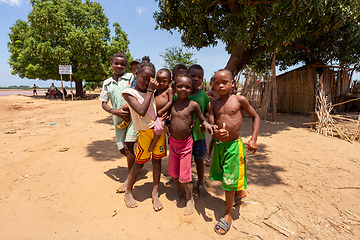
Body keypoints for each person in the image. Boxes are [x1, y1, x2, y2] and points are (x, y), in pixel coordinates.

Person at [208, 69, 260, 235]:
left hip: (233, 146)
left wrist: (253, 139)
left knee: (229, 180)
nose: (221, 85)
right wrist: (215, 132)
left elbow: (255, 117)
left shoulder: (239, 100)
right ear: (213, 85)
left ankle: (228, 214)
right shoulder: (213, 104)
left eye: (224, 82)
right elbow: (211, 126)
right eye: (217, 83)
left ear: (232, 84)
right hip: (220, 146)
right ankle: (240, 192)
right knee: (225, 174)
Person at [122, 61, 166, 211]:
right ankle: (128, 191)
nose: (147, 82)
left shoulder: (151, 91)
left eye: (150, 79)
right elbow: (141, 111)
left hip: (158, 131)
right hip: (145, 134)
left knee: (157, 163)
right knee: (139, 164)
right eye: (144, 77)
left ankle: (155, 193)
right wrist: (150, 91)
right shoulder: (129, 93)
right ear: (136, 74)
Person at [168, 74, 214, 215]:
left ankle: (189, 199)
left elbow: (202, 119)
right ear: (174, 87)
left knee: (185, 175)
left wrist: (207, 125)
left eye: (187, 87)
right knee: (174, 174)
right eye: (180, 86)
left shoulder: (193, 105)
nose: (183, 89)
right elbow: (167, 117)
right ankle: (179, 190)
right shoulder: (172, 102)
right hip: (173, 143)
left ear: (191, 88)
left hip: (186, 144)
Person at [99, 52, 137, 193]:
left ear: (126, 66)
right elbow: (104, 103)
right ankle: (136, 164)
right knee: (122, 148)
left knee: (128, 146)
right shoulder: (107, 83)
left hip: (133, 117)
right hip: (117, 118)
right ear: (111, 64)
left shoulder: (131, 78)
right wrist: (114, 111)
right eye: (116, 63)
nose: (119, 66)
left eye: (122, 64)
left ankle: (129, 178)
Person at [185, 64, 210, 197]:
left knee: (199, 160)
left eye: (199, 77)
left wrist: (204, 122)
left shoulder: (203, 96)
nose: (196, 79)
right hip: (183, 137)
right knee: (185, 161)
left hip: (199, 136)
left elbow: (207, 112)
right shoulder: (180, 95)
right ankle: (186, 183)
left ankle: (200, 183)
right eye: (193, 76)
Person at [148, 68, 173, 152]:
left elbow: (170, 102)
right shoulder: (157, 89)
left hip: (162, 114)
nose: (161, 83)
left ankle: (154, 143)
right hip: (154, 112)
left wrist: (163, 110)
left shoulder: (169, 90)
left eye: (164, 81)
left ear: (170, 81)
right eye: (158, 80)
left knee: (159, 128)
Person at [205, 77, 220, 166]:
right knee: (214, 137)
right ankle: (210, 154)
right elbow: (208, 103)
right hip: (213, 115)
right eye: (213, 82)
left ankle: (217, 157)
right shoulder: (210, 93)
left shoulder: (221, 93)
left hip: (220, 116)